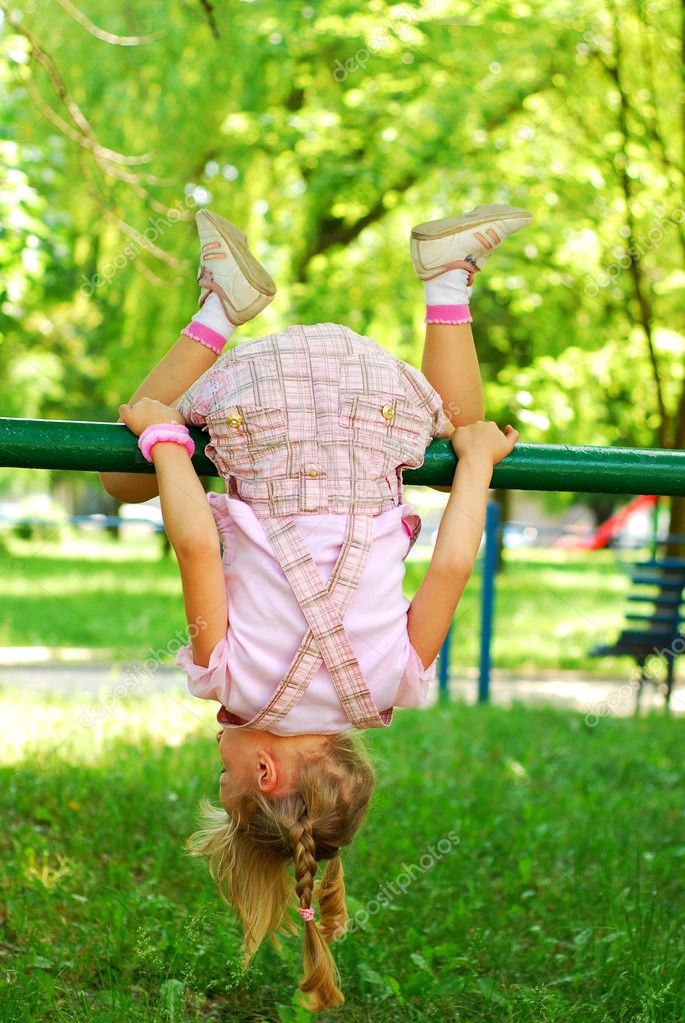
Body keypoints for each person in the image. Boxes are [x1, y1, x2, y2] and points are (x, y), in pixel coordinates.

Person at [100, 202, 530, 1011]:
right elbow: (195, 546)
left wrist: (473, 461)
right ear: (264, 773)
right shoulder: (225, 679)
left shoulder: (395, 687)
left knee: (468, 421)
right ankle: (220, 309)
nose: (218, 764)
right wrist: (163, 444)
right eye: (226, 784)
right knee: (119, 475)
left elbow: (452, 559)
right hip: (253, 401)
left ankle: (444, 278)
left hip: (376, 395)